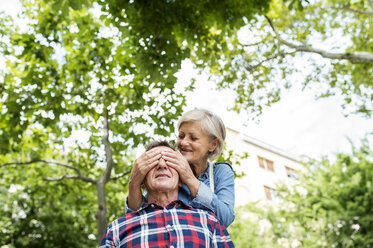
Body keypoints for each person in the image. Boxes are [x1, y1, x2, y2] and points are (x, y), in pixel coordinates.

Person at [101, 141, 235, 248]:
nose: (161, 164)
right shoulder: (116, 229)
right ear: (141, 181)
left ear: (181, 178)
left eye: (170, 160)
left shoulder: (209, 221)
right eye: (153, 161)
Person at [127, 109, 235, 227]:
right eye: (181, 136)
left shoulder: (221, 172)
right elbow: (138, 214)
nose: (183, 143)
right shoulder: (167, 168)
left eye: (193, 138)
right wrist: (134, 182)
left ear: (213, 144)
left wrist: (189, 178)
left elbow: (225, 219)